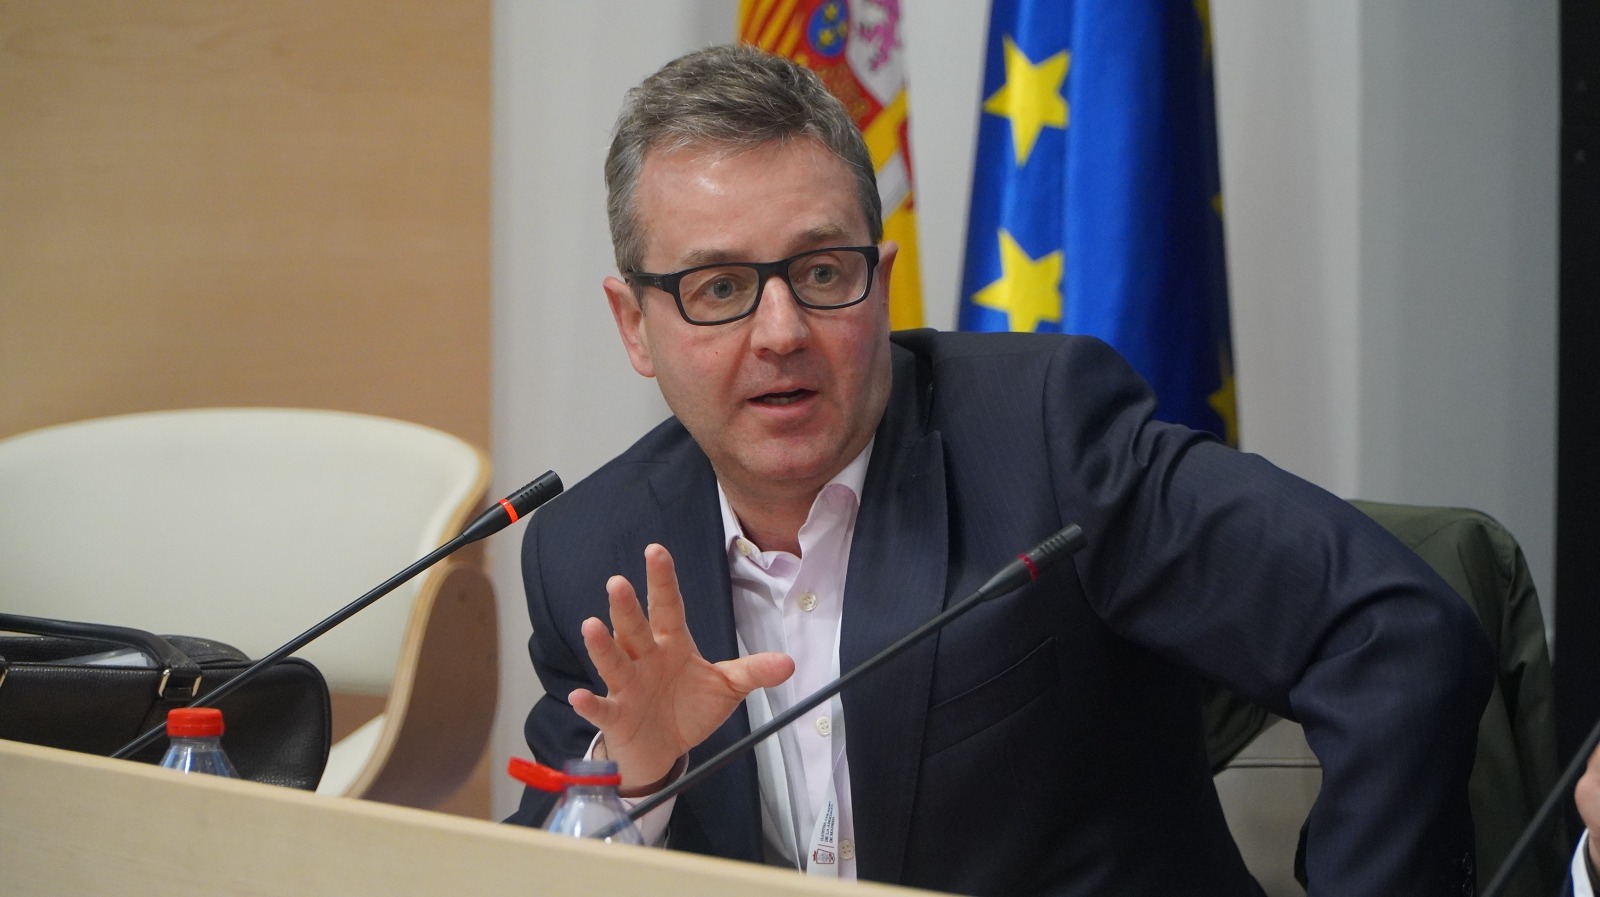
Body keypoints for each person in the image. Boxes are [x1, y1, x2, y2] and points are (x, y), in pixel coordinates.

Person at [507, 44, 1494, 896]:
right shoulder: (590, 557)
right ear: (634, 325)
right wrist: (636, 782)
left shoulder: (1044, 441)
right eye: (719, 287)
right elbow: (531, 866)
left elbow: (1392, 631)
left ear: (880, 281)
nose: (781, 332)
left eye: (821, 272)